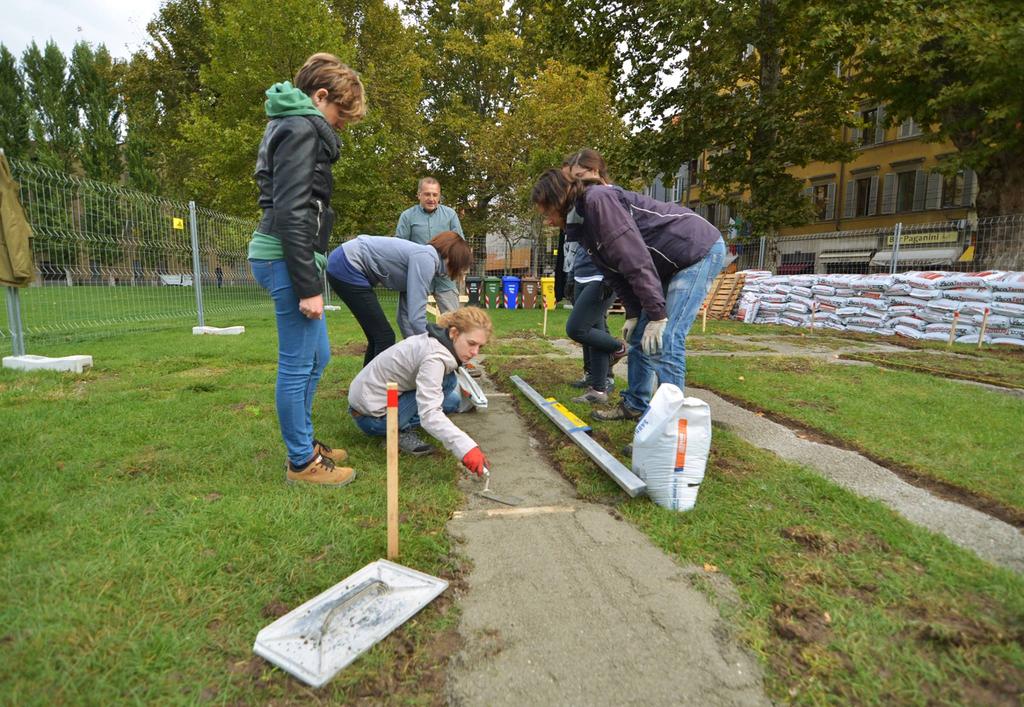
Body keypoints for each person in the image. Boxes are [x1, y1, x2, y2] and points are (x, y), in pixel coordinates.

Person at [248, 53, 365, 486]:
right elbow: (293, 210)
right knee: (296, 363)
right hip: (285, 255)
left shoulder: (290, 123)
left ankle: (306, 439)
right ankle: (302, 463)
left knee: (320, 355)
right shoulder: (300, 129)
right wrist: (308, 286)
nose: (340, 126)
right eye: (339, 115)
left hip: (288, 254)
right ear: (320, 97)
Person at [531, 167, 726, 421]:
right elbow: (613, 271)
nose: (547, 220)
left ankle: (669, 428)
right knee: (638, 337)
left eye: (547, 212)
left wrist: (657, 315)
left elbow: (634, 259)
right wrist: (634, 312)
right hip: (665, 262)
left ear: (559, 200)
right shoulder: (581, 222)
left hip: (695, 250)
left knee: (666, 339)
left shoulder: (598, 202)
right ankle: (635, 405)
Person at [347, 306, 493, 469]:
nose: (475, 352)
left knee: (452, 399)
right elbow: (429, 414)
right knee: (447, 384)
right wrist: (466, 448)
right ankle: (400, 432)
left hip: (367, 401)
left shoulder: (435, 340)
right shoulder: (435, 358)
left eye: (480, 347)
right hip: (374, 419)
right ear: (454, 333)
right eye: (471, 343)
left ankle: (402, 423)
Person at [325, 232, 473, 365]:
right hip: (346, 265)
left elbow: (405, 317)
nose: (453, 274)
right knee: (384, 337)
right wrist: (432, 350)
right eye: (458, 266)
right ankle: (375, 390)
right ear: (451, 258)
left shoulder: (423, 259)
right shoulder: (426, 259)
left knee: (378, 336)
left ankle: (365, 388)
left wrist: (416, 349)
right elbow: (417, 317)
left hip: (343, 262)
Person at [561, 149, 627, 404]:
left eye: (581, 176)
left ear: (597, 170)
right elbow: (575, 242)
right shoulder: (579, 201)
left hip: (602, 274)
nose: (577, 184)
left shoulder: (610, 196)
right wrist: (570, 274)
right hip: (582, 272)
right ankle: (595, 383)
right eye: (573, 179)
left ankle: (617, 349)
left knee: (581, 328)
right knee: (592, 329)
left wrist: (612, 276)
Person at [395, 177, 465, 314]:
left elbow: (459, 244)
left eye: (435, 195)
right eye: (427, 194)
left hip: (444, 278)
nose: (431, 198)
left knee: (454, 319)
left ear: (439, 196)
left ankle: (449, 336)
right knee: (409, 317)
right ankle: (415, 336)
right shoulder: (407, 216)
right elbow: (399, 247)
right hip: (417, 277)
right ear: (419, 195)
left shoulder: (450, 215)